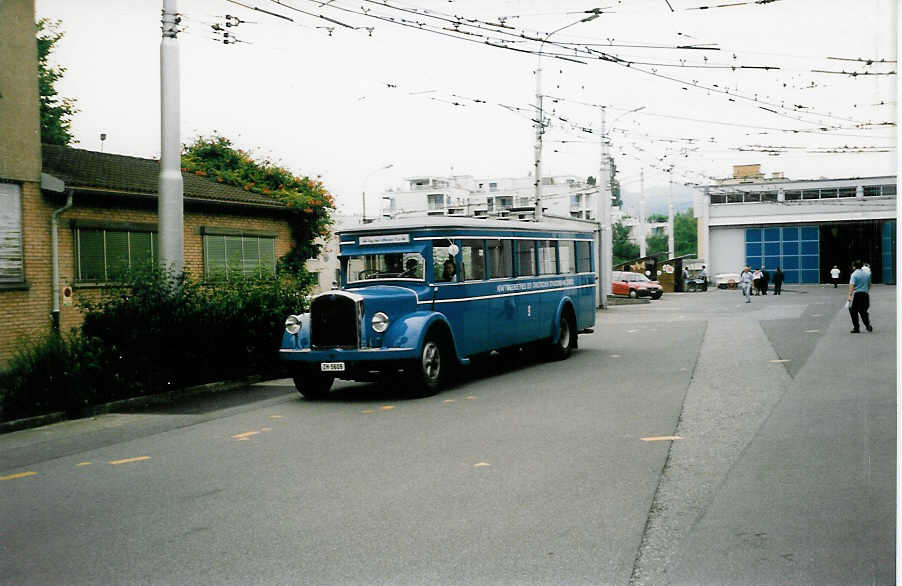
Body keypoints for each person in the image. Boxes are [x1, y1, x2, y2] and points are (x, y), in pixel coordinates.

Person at [847, 259, 872, 333]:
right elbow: (869, 285)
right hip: (865, 294)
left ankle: (856, 328)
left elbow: (851, 286)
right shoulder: (866, 274)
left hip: (857, 294)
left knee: (853, 310)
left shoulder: (854, 274)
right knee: (863, 311)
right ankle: (868, 326)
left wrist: (849, 295)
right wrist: (866, 291)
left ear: (854, 266)